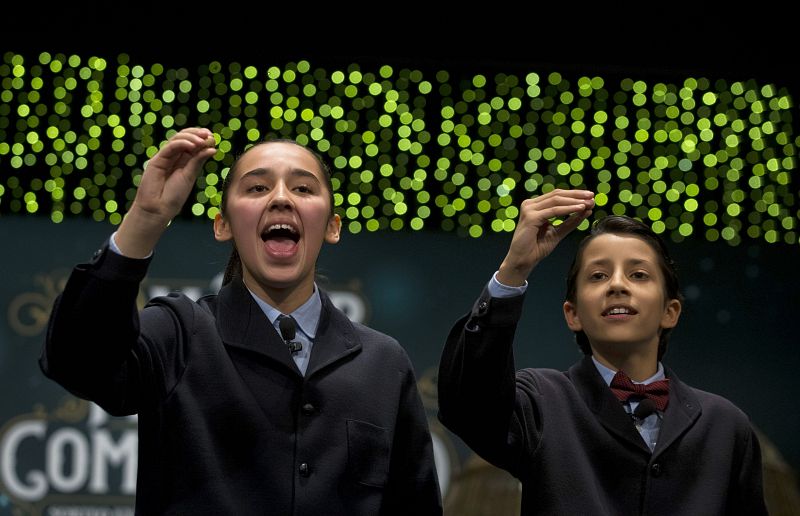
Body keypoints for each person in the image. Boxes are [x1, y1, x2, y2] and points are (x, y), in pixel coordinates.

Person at [40, 127, 443, 515]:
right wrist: (145, 218)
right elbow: (78, 361)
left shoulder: (383, 363)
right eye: (257, 187)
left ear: (333, 226)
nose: (281, 198)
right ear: (223, 224)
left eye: (303, 188)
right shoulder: (181, 331)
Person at [437, 188, 768, 515]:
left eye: (638, 274)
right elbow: (466, 406)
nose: (617, 285)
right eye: (598, 275)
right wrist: (514, 269)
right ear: (574, 314)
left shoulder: (726, 425)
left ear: (671, 311)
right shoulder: (540, 402)